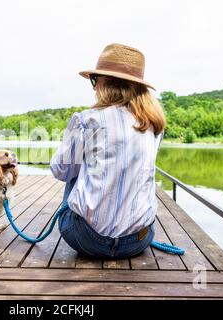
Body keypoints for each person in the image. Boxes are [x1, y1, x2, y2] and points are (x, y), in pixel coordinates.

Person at [50, 43, 166, 259]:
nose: (93, 87)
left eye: (95, 80)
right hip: (137, 241)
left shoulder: (86, 120)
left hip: (86, 239)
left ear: (107, 83)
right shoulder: (155, 126)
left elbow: (60, 171)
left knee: (73, 173)